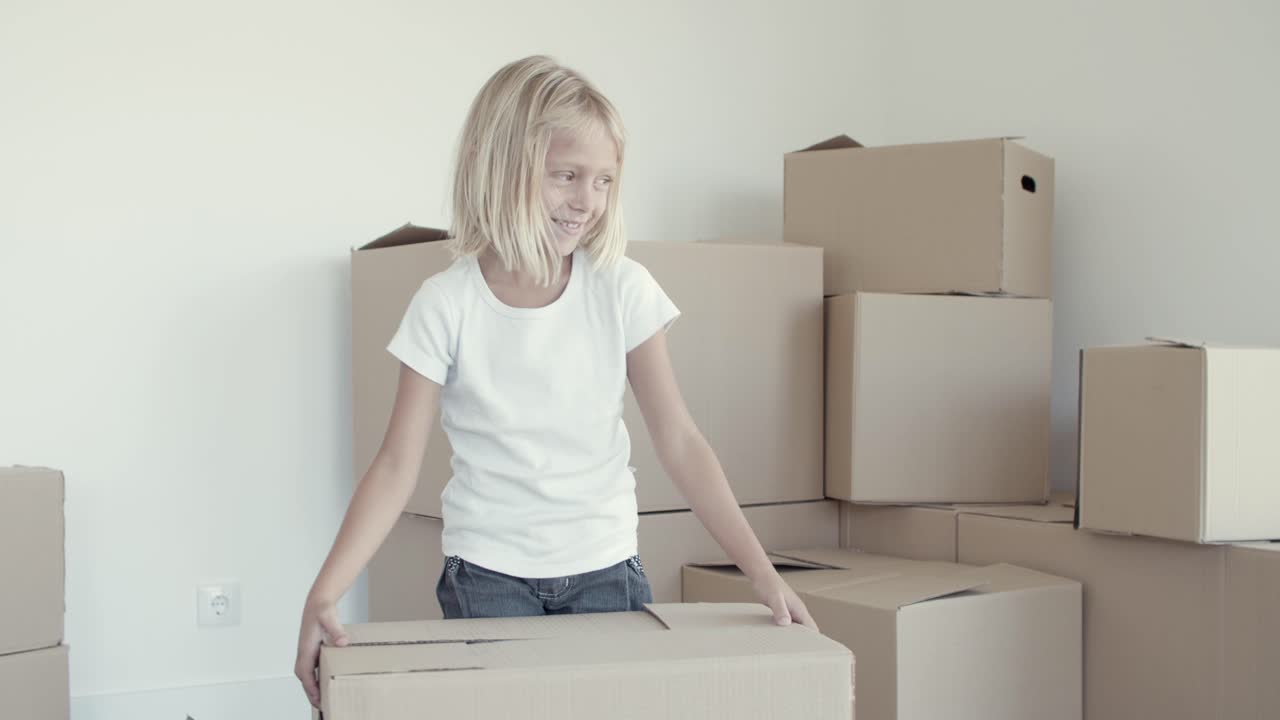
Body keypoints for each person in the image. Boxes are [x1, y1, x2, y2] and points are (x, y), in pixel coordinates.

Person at [294, 55, 816, 708]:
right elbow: (397, 465)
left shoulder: (622, 289)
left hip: (605, 570)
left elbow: (679, 440)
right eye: (567, 176)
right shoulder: (445, 304)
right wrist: (325, 594)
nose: (587, 201)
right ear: (503, 167)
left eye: (603, 181)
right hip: (487, 577)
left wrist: (761, 574)